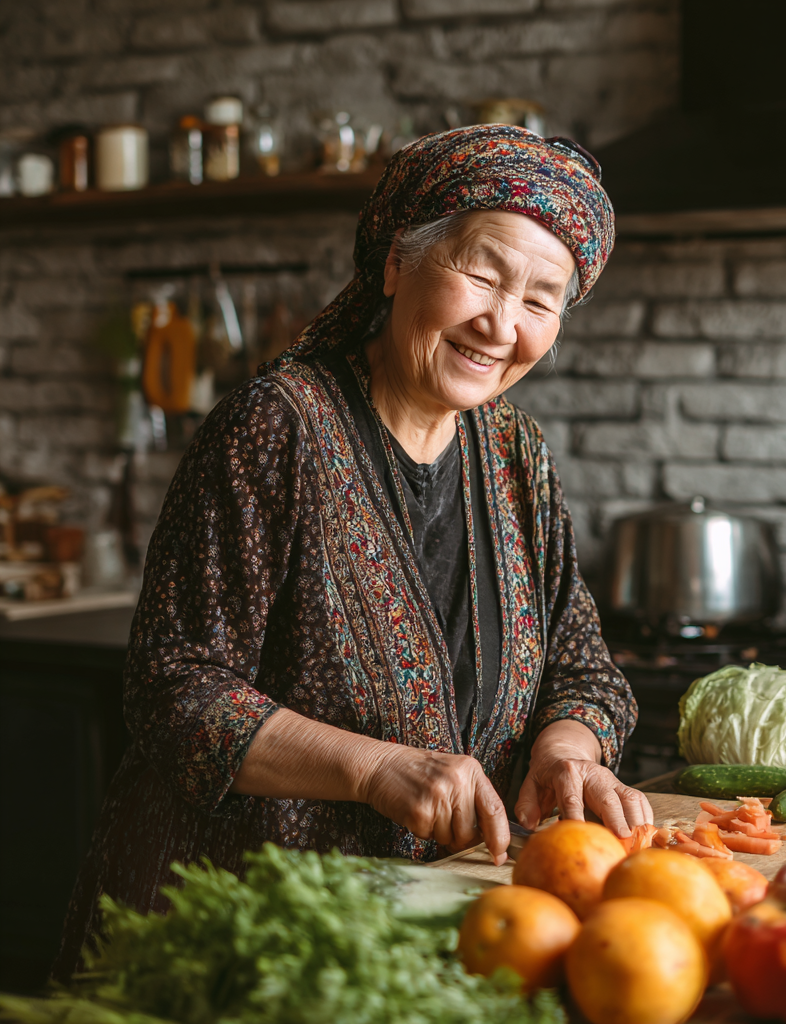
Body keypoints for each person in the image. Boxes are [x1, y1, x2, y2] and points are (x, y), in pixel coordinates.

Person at [56, 124, 650, 978]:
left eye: (540, 299)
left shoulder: (516, 453)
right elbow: (172, 688)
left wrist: (567, 751)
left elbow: (582, 665)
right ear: (396, 264)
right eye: (481, 273)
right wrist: (373, 770)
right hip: (244, 935)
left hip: (430, 940)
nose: (501, 323)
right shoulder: (276, 427)